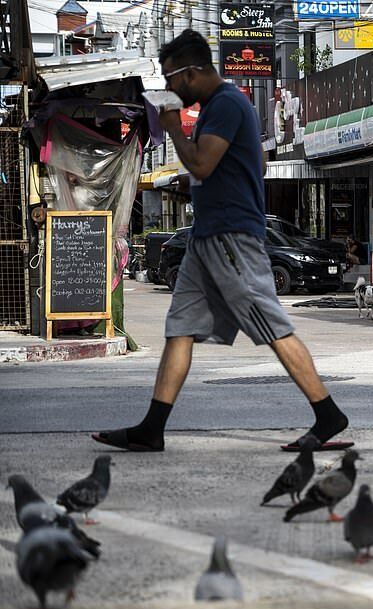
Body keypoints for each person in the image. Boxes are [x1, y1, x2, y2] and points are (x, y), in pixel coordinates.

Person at [92, 30, 349, 453]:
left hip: (231, 236)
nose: (170, 87)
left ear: (192, 72)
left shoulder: (228, 104)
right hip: (205, 237)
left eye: (171, 78)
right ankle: (152, 427)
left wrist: (174, 128)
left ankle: (327, 414)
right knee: (180, 329)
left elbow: (203, 165)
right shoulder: (221, 109)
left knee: (271, 327)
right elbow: (252, 161)